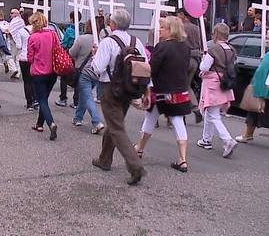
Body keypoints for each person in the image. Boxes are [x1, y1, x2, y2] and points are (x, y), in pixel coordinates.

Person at [91, 9, 147, 185]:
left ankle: (135, 165)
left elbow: (98, 68)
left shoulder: (108, 42)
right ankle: (105, 159)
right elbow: (145, 67)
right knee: (115, 124)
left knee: (116, 128)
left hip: (110, 88)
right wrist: (147, 90)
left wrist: (95, 56)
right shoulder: (136, 41)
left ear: (112, 24)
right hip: (130, 88)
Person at [134, 17, 191, 172]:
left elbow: (152, 68)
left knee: (150, 119)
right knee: (178, 122)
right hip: (179, 91)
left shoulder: (163, 46)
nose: (160, 30)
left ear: (171, 30)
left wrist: (144, 85)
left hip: (160, 91)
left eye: (163, 28)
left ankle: (139, 148)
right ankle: (183, 159)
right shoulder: (185, 47)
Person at [196, 23, 238, 157]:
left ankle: (227, 140)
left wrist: (203, 58)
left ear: (215, 34)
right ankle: (206, 140)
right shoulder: (232, 49)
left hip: (213, 83)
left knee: (213, 114)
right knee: (210, 112)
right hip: (225, 82)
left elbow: (204, 67)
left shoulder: (213, 49)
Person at [27, 12, 59, 140]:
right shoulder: (53, 34)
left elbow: (30, 58)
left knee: (42, 100)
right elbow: (58, 50)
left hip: (39, 73)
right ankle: (39, 124)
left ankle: (51, 123)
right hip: (52, 72)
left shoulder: (33, 38)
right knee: (44, 98)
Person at [69, 21, 105, 134]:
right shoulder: (101, 41)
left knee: (87, 96)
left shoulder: (81, 39)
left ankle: (96, 121)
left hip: (84, 71)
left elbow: (71, 52)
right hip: (96, 73)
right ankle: (78, 118)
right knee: (84, 95)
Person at [176, 8, 204, 123]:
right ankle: (195, 108)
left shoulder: (180, 28)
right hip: (195, 60)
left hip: (183, 59)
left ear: (183, 15)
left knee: (179, 87)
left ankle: (181, 113)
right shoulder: (197, 28)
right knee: (187, 86)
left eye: (178, 15)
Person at [56, 11, 81, 108]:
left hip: (69, 55)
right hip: (79, 57)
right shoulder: (81, 29)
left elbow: (64, 44)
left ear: (71, 18)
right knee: (77, 77)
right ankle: (76, 101)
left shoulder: (70, 30)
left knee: (64, 76)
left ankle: (63, 98)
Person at [13, 9, 35, 111]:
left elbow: (18, 46)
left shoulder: (21, 31)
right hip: (35, 58)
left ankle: (29, 103)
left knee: (27, 81)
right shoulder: (36, 30)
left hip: (24, 58)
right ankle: (36, 101)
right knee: (35, 81)